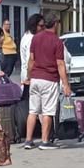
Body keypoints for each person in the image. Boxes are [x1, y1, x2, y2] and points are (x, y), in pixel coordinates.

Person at [23, 11, 71, 149]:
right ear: (55, 24)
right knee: (48, 111)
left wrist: (29, 76)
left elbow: (31, 60)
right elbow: (60, 64)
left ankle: (28, 140)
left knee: (33, 111)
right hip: (49, 79)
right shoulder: (57, 41)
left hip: (35, 78)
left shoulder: (36, 38)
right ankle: (45, 141)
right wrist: (66, 85)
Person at [19, 13, 45, 100]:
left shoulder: (26, 36)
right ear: (34, 25)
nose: (43, 28)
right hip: (31, 76)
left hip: (28, 75)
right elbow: (30, 59)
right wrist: (29, 77)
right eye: (41, 26)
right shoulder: (31, 39)